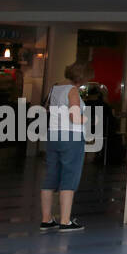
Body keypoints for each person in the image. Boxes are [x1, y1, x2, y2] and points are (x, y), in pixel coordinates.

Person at [40, 62, 89, 232]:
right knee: (69, 176)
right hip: (71, 137)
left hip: (53, 135)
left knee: (50, 176)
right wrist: (88, 120)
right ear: (81, 78)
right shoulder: (72, 90)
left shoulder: (55, 88)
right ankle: (65, 221)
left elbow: (47, 110)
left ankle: (46, 219)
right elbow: (75, 117)